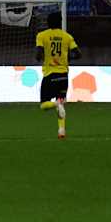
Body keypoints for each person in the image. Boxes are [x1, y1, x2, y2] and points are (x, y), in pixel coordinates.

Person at [34, 11, 81, 139]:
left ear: (48, 23)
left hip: (50, 74)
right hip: (63, 75)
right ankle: (61, 131)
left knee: (44, 105)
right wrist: (67, 58)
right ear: (60, 23)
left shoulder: (42, 35)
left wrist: (40, 57)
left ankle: (56, 105)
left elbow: (38, 55)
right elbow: (78, 54)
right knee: (61, 101)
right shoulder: (67, 37)